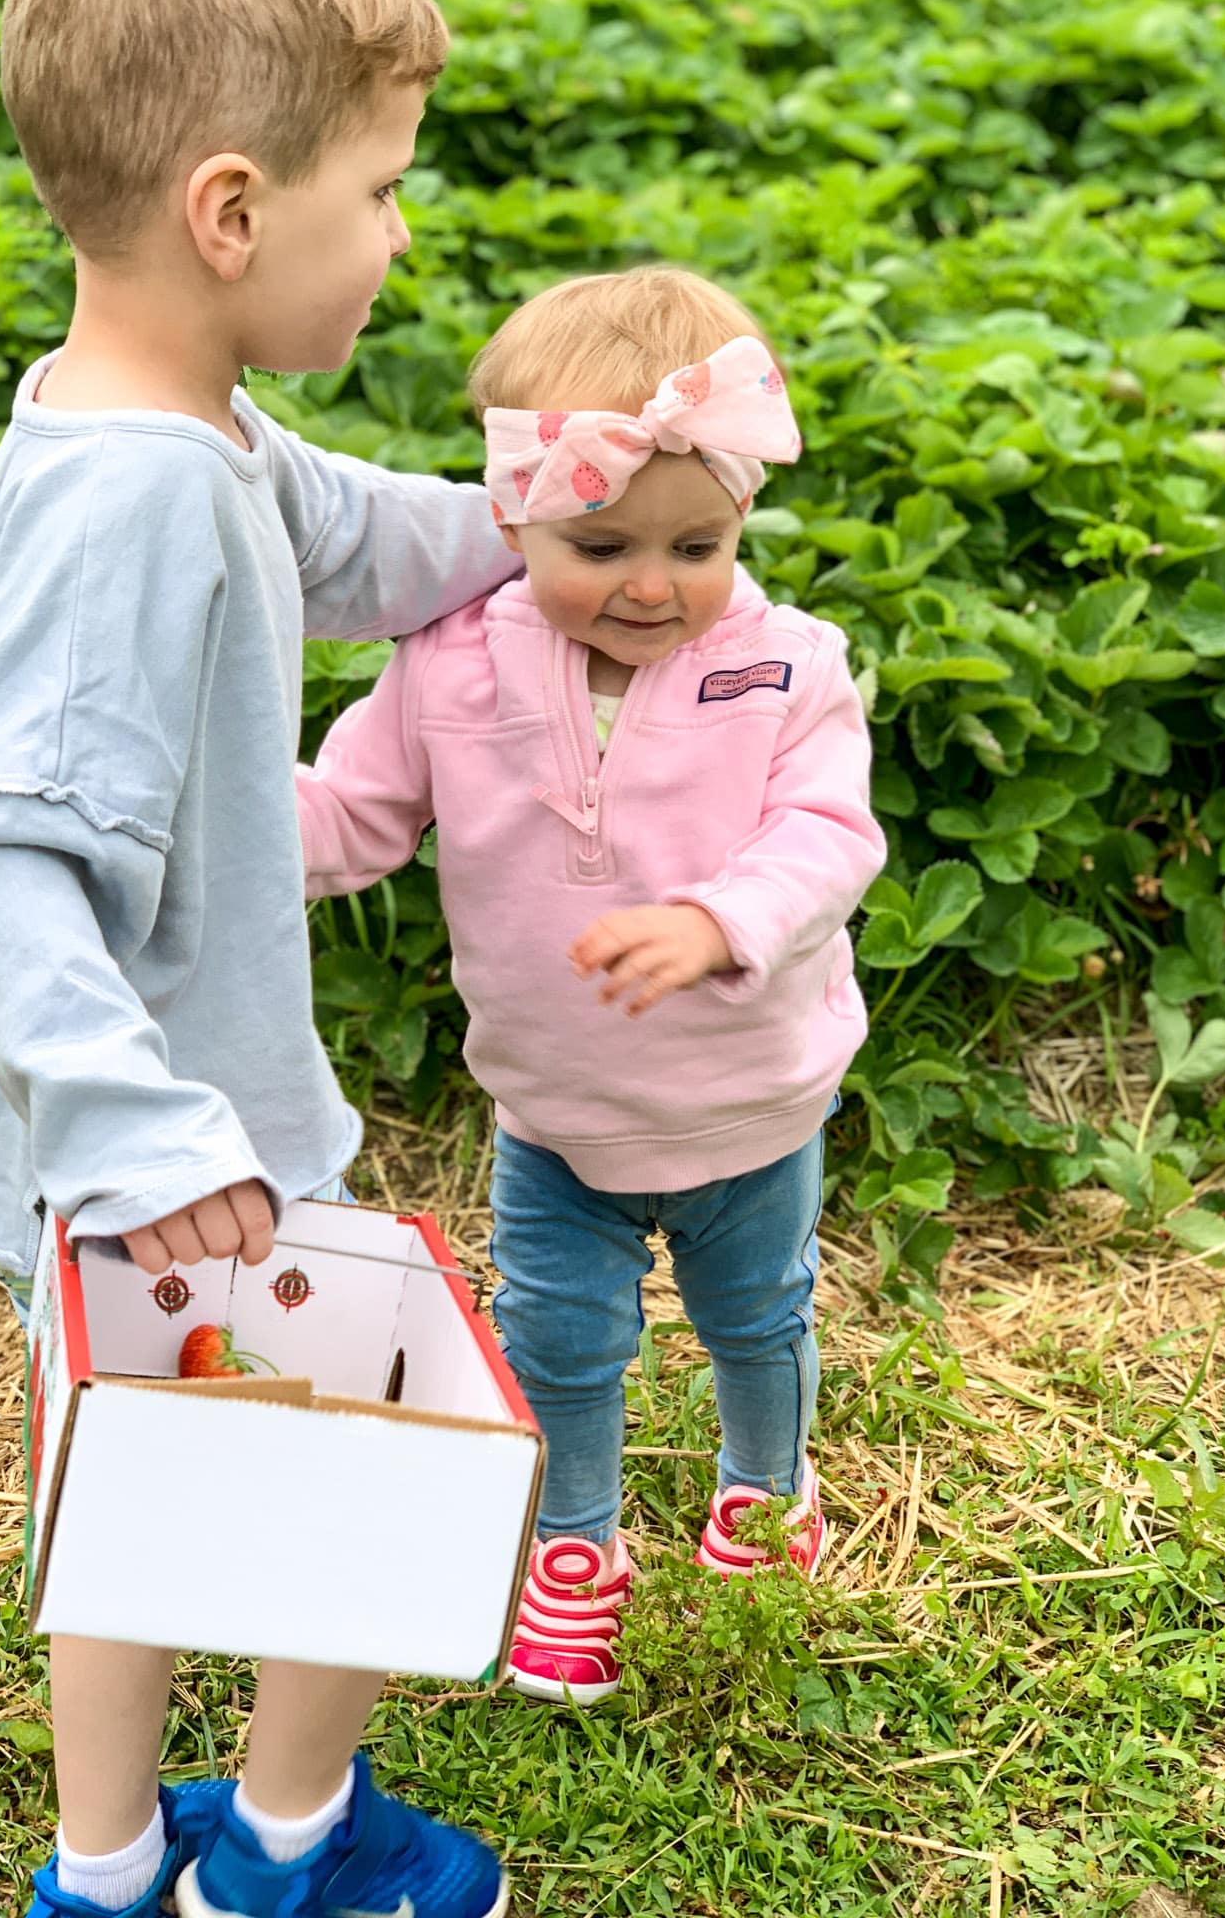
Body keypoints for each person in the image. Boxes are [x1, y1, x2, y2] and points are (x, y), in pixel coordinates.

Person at [0, 0, 517, 1913]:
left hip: (138, 1124)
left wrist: (540, 518)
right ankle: (292, 1857)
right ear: (231, 212)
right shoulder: (133, 497)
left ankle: (107, 1863)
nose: (400, 236)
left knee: (130, 1490)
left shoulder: (161, 414)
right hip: (167, 1129)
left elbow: (351, 534)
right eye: (380, 191)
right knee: (354, 1470)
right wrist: (140, 1138)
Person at [296, 265, 888, 1708]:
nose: (652, 583)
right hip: (554, 1108)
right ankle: (575, 1535)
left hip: (748, 1099)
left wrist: (719, 919)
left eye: (698, 544)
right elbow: (357, 814)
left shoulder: (786, 669)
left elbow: (828, 837)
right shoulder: (450, 666)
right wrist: (222, 828)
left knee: (758, 1315)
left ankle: (766, 1486)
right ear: (511, 518)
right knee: (560, 1338)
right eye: (603, 542)